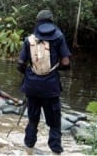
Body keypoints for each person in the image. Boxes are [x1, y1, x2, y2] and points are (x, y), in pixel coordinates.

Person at [16, 10, 71, 154]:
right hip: (51, 87)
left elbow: (20, 64)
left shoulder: (29, 40)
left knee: (32, 119)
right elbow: (66, 62)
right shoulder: (59, 37)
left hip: (32, 87)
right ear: (51, 21)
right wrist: (55, 69)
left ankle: (29, 147)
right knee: (54, 123)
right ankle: (55, 150)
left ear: (37, 22)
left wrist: (29, 75)